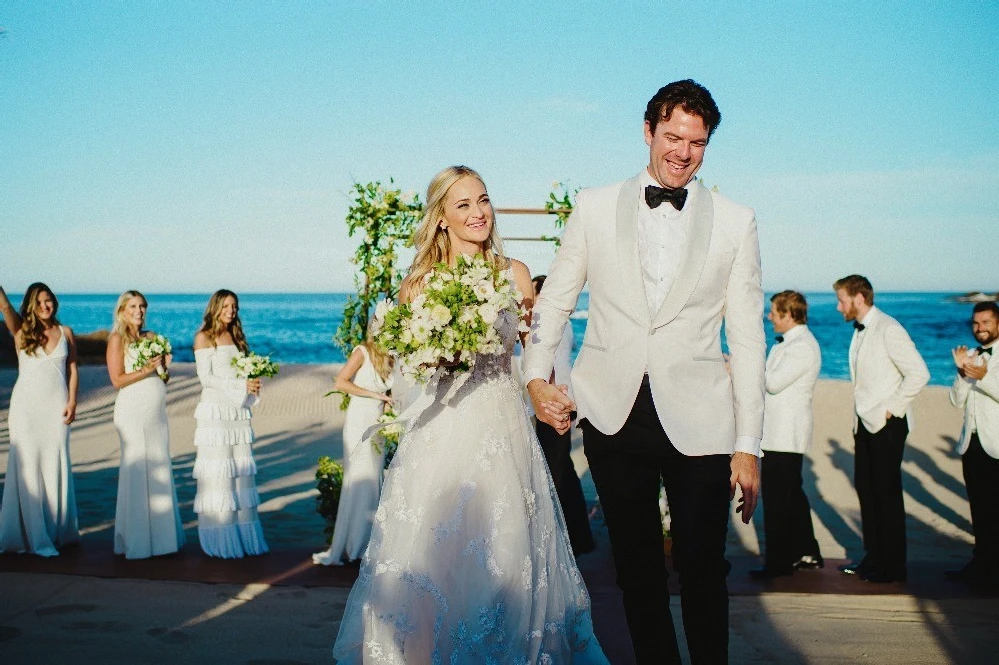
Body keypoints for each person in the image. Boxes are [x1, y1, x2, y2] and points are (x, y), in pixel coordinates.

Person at [524, 80, 766, 665]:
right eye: (673, 137)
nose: (683, 152)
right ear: (648, 132)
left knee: (704, 567)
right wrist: (535, 378)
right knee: (635, 571)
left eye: (698, 142)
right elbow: (555, 300)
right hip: (612, 413)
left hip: (703, 421)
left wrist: (748, 444)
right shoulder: (593, 205)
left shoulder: (737, 222)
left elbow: (750, 337)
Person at [332, 166, 608, 663]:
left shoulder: (515, 273)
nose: (478, 212)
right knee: (433, 561)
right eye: (463, 205)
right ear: (441, 218)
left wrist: (548, 397)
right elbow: (411, 366)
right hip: (442, 432)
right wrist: (441, 351)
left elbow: (537, 354)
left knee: (507, 559)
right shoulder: (418, 286)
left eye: (483, 200)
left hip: (503, 430)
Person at [833, 275, 928, 584]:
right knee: (867, 490)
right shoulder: (861, 330)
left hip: (887, 425)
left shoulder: (889, 328)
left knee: (886, 496)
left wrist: (893, 408)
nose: (838, 307)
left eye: (842, 300)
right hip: (864, 423)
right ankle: (874, 558)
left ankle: (893, 566)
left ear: (859, 298)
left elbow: (919, 373)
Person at [0, 283, 80, 556]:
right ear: (30, 306)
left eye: (50, 301)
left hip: (56, 408)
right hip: (25, 410)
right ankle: (32, 536)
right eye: (40, 302)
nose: (46, 306)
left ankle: (56, 530)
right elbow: (5, 308)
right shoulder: (21, 332)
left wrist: (72, 401)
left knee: (54, 463)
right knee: (28, 465)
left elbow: (72, 369)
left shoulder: (66, 332)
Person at [106, 290, 185, 559]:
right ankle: (137, 541)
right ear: (122, 311)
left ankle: (162, 540)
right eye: (133, 306)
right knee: (138, 471)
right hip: (131, 413)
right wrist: (148, 369)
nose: (139, 311)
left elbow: (162, 379)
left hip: (155, 414)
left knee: (158, 467)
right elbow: (116, 380)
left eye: (142, 306)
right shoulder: (117, 339)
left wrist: (164, 368)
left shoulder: (152, 338)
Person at [749, 291, 823, 579]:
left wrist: (745, 365)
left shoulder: (802, 346)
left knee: (778, 498)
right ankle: (807, 551)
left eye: (774, 313)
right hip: (779, 433)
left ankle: (778, 563)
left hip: (786, 434)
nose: (769, 317)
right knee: (792, 495)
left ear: (789, 315)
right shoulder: (790, 343)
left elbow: (774, 382)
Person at [192, 290, 268, 558]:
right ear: (215, 307)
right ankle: (221, 539)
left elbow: (239, 371)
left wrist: (252, 383)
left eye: (234, 306)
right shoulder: (204, 337)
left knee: (240, 469)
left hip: (237, 412)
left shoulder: (236, 337)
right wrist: (240, 385)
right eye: (225, 305)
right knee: (220, 471)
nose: (231, 310)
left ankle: (245, 537)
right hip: (216, 414)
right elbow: (206, 378)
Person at [312, 328, 394, 566]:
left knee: (374, 480)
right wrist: (375, 395)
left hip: (378, 423)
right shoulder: (362, 351)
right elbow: (341, 382)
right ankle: (354, 547)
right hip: (359, 420)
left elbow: (389, 393)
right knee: (359, 479)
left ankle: (367, 543)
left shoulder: (391, 356)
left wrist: (388, 409)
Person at [531, 274, 595, 556]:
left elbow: (545, 364)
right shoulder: (565, 325)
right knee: (564, 469)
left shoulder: (546, 325)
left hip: (554, 400)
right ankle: (579, 537)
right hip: (562, 398)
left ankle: (560, 539)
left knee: (554, 472)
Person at [947, 301, 999, 589]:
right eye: (976, 323)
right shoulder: (974, 355)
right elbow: (956, 401)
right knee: (979, 509)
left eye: (986, 322)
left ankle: (993, 572)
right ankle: (980, 563)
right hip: (972, 443)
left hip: (997, 446)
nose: (980, 329)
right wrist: (962, 373)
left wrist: (986, 377)